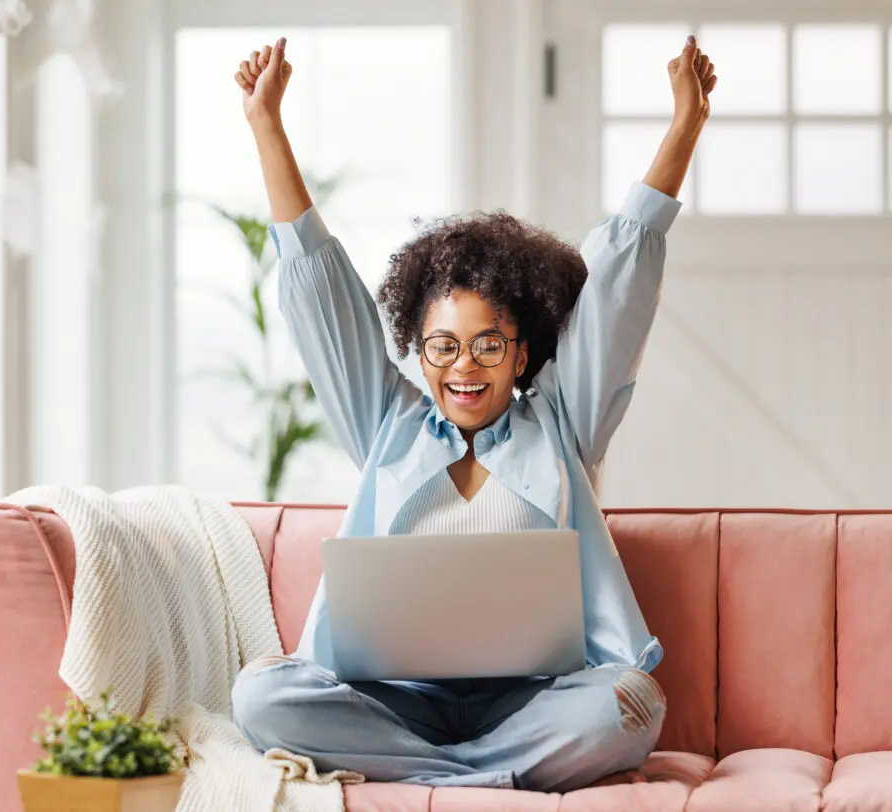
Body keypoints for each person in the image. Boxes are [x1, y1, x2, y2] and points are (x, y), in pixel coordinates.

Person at [229, 34, 717, 792]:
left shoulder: (561, 425)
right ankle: (487, 782)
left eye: (489, 344)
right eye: (443, 347)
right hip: (395, 705)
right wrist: (268, 126)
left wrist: (683, 127)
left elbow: (617, 291)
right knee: (259, 693)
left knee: (629, 704)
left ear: (523, 353)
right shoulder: (387, 426)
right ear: (417, 353)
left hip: (536, 705)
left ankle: (439, 782)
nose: (464, 366)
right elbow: (322, 294)